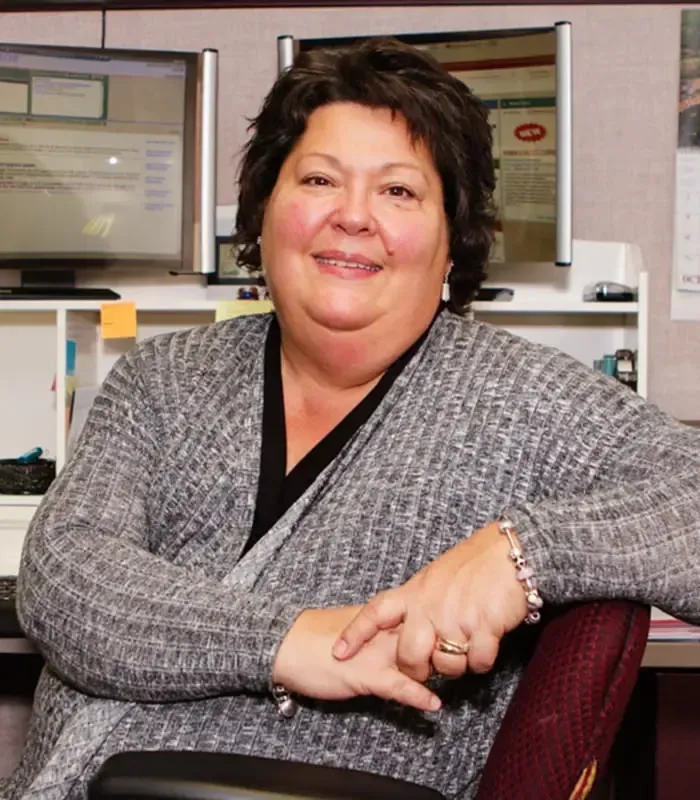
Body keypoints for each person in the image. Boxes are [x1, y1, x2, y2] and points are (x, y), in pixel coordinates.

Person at [4, 37, 700, 800]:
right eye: (319, 179)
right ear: (265, 212)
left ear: (452, 238)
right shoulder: (165, 378)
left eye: (399, 192)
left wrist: (523, 552)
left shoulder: (528, 402)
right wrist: (292, 641)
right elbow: (63, 576)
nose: (353, 216)